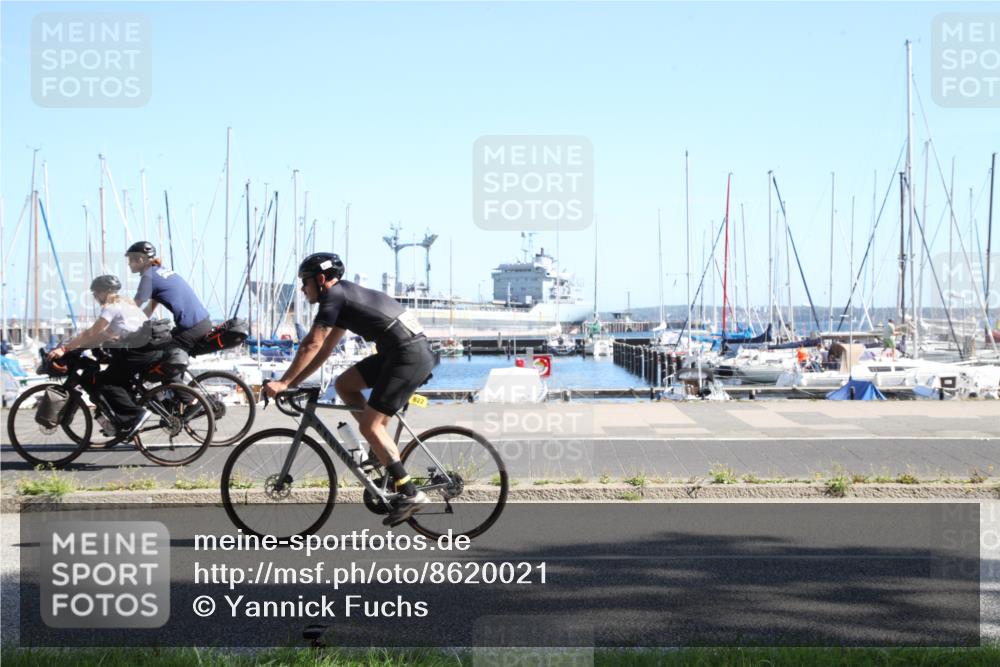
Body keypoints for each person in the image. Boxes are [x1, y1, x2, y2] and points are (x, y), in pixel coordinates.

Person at [264, 252, 436, 526]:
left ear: (321, 279)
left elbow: (311, 344)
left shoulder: (334, 297)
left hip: (407, 355)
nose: (302, 288)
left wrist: (283, 383)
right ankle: (383, 460)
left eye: (304, 281)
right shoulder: (343, 299)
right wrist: (293, 382)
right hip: (399, 353)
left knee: (370, 426)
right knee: (344, 385)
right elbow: (324, 351)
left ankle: (409, 492)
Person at [46, 275, 155, 438]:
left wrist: (64, 349)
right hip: (146, 350)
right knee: (116, 381)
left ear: (103, 292)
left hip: (138, 353)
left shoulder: (111, 307)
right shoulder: (125, 304)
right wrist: (79, 347)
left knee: (106, 383)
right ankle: (122, 420)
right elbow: (104, 335)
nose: (95, 297)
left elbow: (92, 332)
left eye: (95, 293)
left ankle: (136, 415)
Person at [126, 241, 212, 378]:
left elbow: (133, 308)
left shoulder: (149, 278)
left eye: (131, 260)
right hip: (203, 323)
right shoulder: (160, 271)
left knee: (164, 360)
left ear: (141, 259)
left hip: (192, 329)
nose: (128, 264)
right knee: (167, 354)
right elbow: (149, 309)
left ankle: (188, 399)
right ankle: (173, 395)